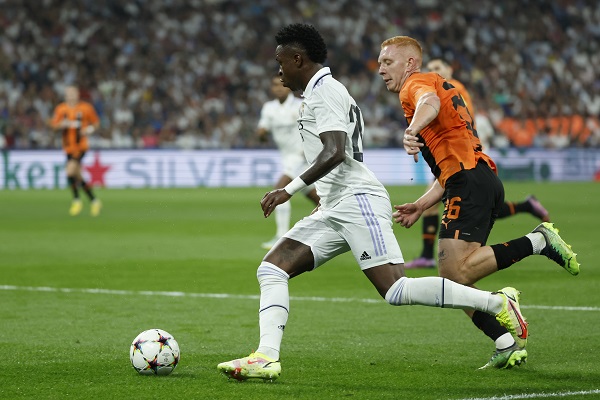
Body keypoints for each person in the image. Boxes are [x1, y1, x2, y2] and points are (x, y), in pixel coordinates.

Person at [217, 23, 529, 382]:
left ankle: (497, 302)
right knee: (272, 268)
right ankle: (266, 357)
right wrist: (325, 199)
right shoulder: (321, 92)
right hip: (336, 204)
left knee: (396, 289)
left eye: (281, 61)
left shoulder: (326, 92)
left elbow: (336, 152)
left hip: (357, 199)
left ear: (298, 59)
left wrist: (289, 189)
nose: (278, 69)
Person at [377, 36, 579, 369]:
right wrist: (420, 203)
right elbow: (446, 167)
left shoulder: (415, 85)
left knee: (453, 274)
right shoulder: (435, 85)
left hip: (469, 182)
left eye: (388, 62)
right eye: (381, 63)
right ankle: (506, 342)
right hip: (473, 179)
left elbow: (429, 102)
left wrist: (411, 129)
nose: (381, 70)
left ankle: (536, 243)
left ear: (410, 63)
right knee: (456, 281)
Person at [405, 58, 550, 269]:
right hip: (455, 156)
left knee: (461, 207)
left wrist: (414, 129)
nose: (433, 71)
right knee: (465, 207)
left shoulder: (452, 88)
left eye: (438, 68)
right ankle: (526, 209)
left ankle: (430, 255)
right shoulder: (444, 88)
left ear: (449, 69)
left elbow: (453, 120)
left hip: (463, 157)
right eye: (431, 69)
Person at [257, 76, 320, 250]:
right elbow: (262, 131)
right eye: (274, 85)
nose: (278, 88)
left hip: (301, 155)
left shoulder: (300, 105)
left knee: (280, 189)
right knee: (316, 196)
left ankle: (280, 237)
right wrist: (261, 134)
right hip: (287, 157)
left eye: (281, 85)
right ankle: (341, 221)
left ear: (287, 87)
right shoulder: (269, 108)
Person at [50, 85, 102, 216]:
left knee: (69, 171)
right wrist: (61, 124)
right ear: (65, 95)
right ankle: (94, 201)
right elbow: (54, 126)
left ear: (78, 94)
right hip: (68, 147)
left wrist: (87, 130)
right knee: (77, 176)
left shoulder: (86, 108)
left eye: (73, 93)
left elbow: (96, 123)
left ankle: (76, 200)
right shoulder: (61, 109)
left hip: (81, 147)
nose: (71, 95)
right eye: (69, 93)